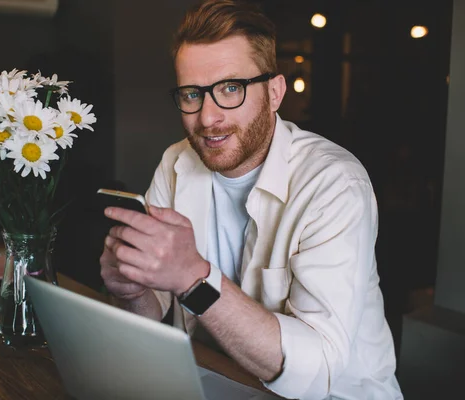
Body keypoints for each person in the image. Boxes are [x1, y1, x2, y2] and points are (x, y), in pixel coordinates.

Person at [99, 0, 402, 398]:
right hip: (217, 381)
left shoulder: (334, 183)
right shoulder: (177, 162)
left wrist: (194, 278)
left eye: (230, 88)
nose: (208, 117)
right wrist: (134, 291)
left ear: (275, 92)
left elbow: (317, 371)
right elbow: (152, 312)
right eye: (192, 94)